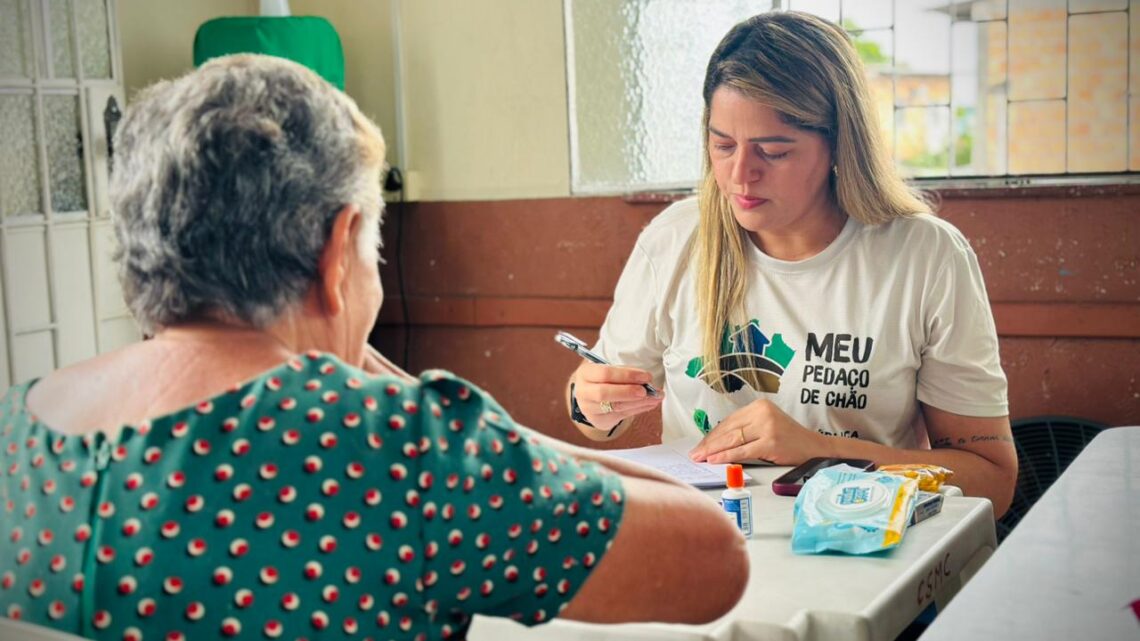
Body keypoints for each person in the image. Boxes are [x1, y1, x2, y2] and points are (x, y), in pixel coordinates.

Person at [0, 55, 747, 641]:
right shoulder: (401, 444)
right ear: (338, 254)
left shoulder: (14, 429)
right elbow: (716, 557)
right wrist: (451, 418)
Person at [566, 11, 1017, 516]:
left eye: (774, 151)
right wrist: (591, 400)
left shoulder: (925, 256)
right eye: (723, 145)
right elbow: (594, 419)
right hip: (703, 537)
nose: (741, 175)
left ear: (838, 145)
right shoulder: (675, 238)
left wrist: (823, 451)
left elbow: (992, 482)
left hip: (858, 544)